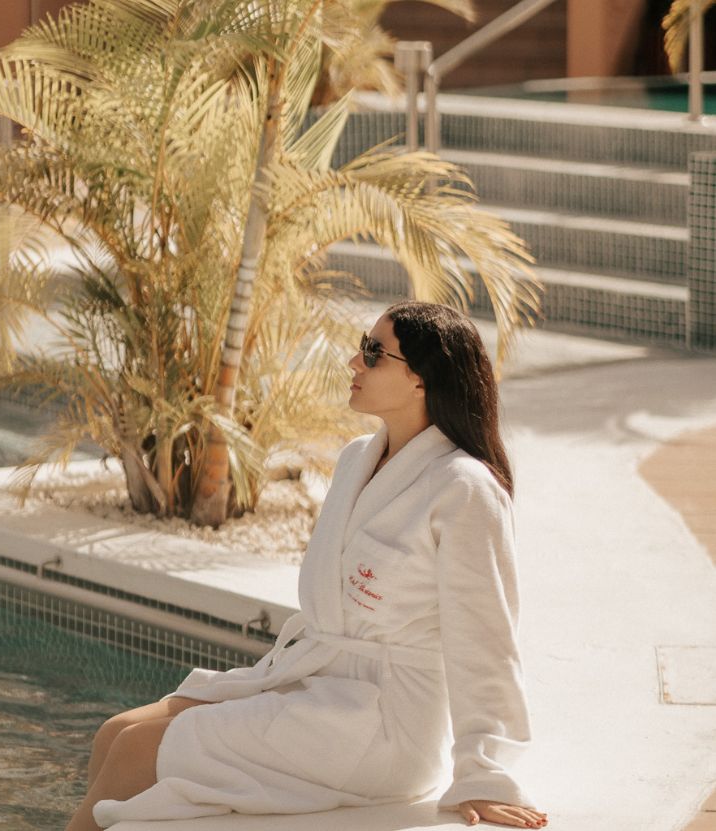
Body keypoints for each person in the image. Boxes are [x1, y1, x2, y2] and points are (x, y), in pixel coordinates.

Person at [65, 301, 549, 831]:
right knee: (115, 732)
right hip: (318, 682)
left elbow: (486, 640)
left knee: (137, 750)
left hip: (386, 725)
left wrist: (483, 773)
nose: (354, 363)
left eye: (374, 353)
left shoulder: (465, 488)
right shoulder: (357, 459)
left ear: (420, 379)